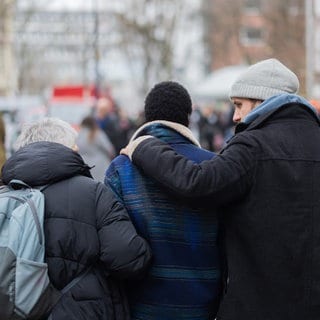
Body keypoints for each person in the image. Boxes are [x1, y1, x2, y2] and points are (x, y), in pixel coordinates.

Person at [121, 59, 320, 319]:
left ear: (261, 101)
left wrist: (144, 146)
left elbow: (197, 183)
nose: (235, 116)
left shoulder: (252, 146)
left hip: (257, 303)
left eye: (239, 105)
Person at [1, 117, 152, 320]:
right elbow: (128, 259)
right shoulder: (94, 193)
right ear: (66, 150)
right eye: (74, 146)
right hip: (83, 310)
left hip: (20, 309)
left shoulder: (6, 193)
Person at [105, 81, 222, 320]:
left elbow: (113, 245)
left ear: (147, 117)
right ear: (188, 118)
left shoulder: (121, 168)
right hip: (204, 304)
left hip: (142, 304)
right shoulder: (215, 166)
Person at [77, 116, 115, 182]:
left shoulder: (78, 135)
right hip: (100, 165)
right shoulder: (98, 134)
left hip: (84, 165)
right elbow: (109, 149)